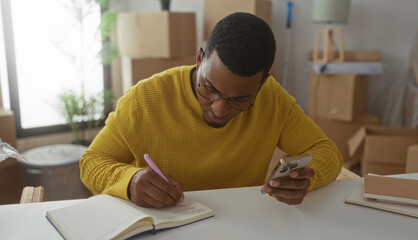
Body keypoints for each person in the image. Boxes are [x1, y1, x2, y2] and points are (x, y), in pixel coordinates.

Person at [80, 12, 342, 208]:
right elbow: (91, 163)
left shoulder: (273, 100)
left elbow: (327, 152)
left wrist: (306, 178)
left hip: (240, 226)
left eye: (239, 99)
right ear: (199, 58)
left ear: (263, 82)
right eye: (209, 88)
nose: (218, 109)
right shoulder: (144, 100)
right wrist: (130, 180)